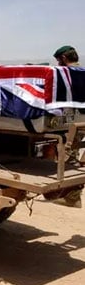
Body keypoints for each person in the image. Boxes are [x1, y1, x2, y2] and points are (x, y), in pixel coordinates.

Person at [53, 45, 83, 208]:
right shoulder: (83, 72)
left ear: (64, 58)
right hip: (81, 120)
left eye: (58, 61)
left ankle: (72, 197)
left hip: (71, 120)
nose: (58, 64)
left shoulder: (65, 74)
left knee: (69, 157)